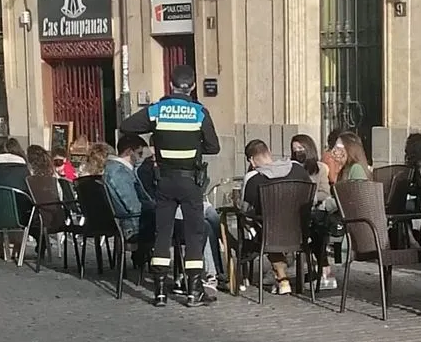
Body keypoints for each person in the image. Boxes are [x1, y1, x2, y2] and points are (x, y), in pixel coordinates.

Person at [119, 64, 221, 307]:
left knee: (162, 234)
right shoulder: (199, 112)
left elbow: (126, 126)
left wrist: (156, 137)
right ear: (193, 86)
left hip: (164, 180)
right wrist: (195, 147)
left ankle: (160, 292)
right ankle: (193, 290)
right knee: (194, 235)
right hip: (190, 181)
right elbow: (214, 146)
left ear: (170, 84)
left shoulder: (157, 110)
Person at [241, 139, 313, 295]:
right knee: (273, 225)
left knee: (264, 225)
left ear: (251, 160)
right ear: (269, 153)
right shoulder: (298, 169)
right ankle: (284, 276)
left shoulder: (253, 178)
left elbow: (245, 210)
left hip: (271, 235)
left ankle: (281, 278)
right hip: (299, 231)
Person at [291, 134, 337, 290]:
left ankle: (324, 269)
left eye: (301, 148)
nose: (298, 151)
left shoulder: (320, 168)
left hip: (312, 210)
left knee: (317, 227)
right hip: (292, 212)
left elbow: (326, 192)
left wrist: (311, 198)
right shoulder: (290, 167)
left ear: (308, 148)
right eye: (295, 149)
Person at [103, 134, 155, 262]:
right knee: (190, 227)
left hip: (129, 223)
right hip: (133, 226)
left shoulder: (114, 169)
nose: (141, 158)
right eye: (139, 153)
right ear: (129, 152)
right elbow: (132, 205)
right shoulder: (118, 172)